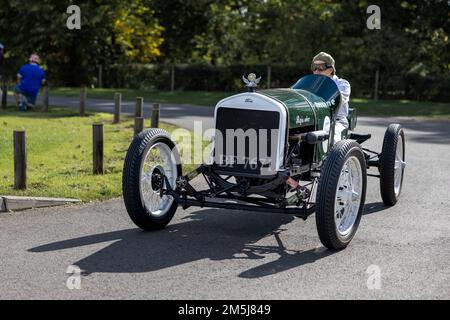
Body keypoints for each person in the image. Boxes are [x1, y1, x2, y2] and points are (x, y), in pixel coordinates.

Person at [311, 51, 350, 142]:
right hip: (314, 121)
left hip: (336, 121)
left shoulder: (342, 84)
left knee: (329, 138)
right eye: (314, 67)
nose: (316, 71)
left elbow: (337, 101)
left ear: (331, 69)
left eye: (321, 67)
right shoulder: (310, 85)